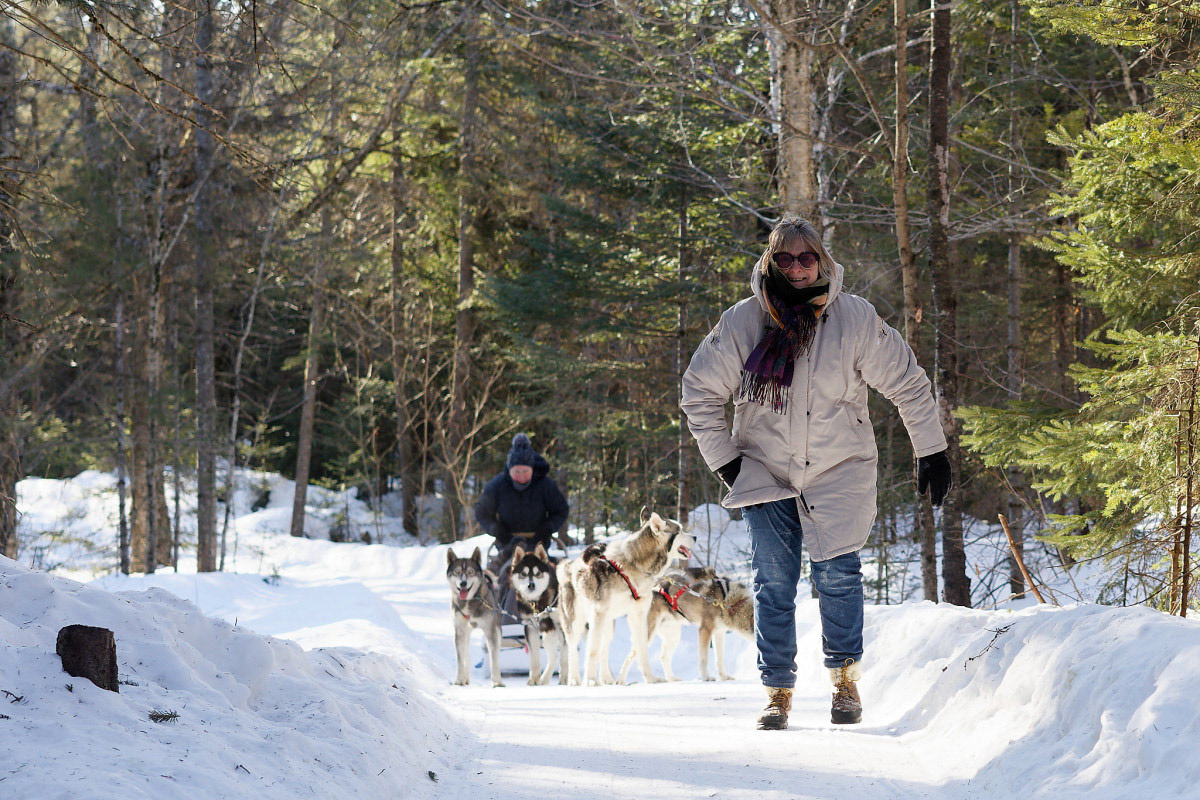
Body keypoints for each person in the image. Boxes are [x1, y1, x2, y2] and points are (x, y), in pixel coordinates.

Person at [681, 216, 952, 730]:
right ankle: (777, 692)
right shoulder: (744, 321)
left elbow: (908, 383)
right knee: (773, 584)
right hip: (764, 470)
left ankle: (845, 682)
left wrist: (931, 449)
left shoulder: (855, 318)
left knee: (838, 576)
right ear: (771, 262)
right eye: (785, 259)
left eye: (807, 258)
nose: (798, 268)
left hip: (839, 468)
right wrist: (727, 462)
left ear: (822, 260)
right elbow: (699, 392)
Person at [475, 433, 570, 614]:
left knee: (551, 574)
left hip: (538, 543)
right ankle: (505, 615)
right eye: (517, 472)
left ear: (532, 469)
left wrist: (547, 528)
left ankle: (552, 614)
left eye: (525, 471)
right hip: (508, 545)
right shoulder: (498, 485)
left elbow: (561, 510)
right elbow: (481, 512)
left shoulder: (545, 485)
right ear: (509, 470)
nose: (521, 476)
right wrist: (497, 530)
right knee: (504, 574)